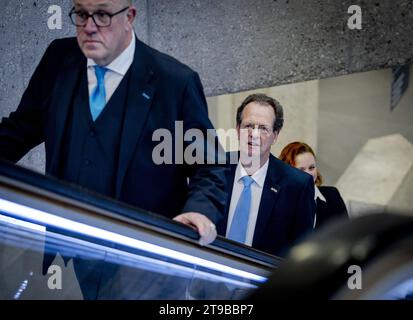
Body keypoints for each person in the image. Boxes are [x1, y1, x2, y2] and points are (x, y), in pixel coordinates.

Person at [0, 0, 226, 298]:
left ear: (129, 17)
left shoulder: (175, 82)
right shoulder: (59, 60)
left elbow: (209, 164)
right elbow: (19, 129)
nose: (89, 27)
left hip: (145, 261)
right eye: (81, 14)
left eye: (103, 15)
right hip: (77, 249)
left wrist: (199, 211)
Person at [216, 93, 315, 257]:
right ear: (238, 129)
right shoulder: (213, 167)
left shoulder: (297, 185)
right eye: (248, 126)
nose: (254, 134)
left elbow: (301, 252)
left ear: (275, 136)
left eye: (263, 128)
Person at [279, 141, 348, 229]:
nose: (309, 175)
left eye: (311, 167)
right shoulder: (277, 203)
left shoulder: (332, 195)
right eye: (301, 170)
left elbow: (348, 237)